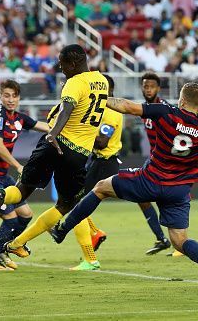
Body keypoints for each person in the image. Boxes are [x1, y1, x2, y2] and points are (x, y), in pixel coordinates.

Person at [50, 51, 198, 292]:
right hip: (179, 191)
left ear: (181, 101)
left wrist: (97, 96)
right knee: (180, 241)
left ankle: (62, 229)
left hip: (150, 180)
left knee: (100, 188)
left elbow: (126, 106)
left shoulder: (165, 111)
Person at [0, 44, 108, 260]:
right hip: (77, 154)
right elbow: (73, 110)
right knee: (65, 204)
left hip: (53, 144)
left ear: (74, 62)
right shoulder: (103, 82)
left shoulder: (73, 83)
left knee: (22, 190)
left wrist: (52, 134)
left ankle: (3, 195)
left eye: (62, 64)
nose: (61, 68)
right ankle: (18, 243)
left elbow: (66, 109)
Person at [0, 80, 50, 271]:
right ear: (0, 96)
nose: (10, 100)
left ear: (19, 98)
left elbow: (43, 126)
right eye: (6, 95)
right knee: (11, 220)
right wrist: (18, 166)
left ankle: (3, 250)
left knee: (26, 214)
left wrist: (66, 129)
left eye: (14, 96)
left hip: (1, 175)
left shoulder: (19, 118)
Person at [70, 74, 122, 271]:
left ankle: (90, 256)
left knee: (76, 203)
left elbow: (102, 142)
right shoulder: (102, 110)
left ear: (108, 91)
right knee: (76, 201)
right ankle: (94, 233)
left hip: (105, 163)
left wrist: (80, 133)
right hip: (98, 162)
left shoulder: (111, 113)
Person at [139, 73, 173, 255]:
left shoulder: (163, 108)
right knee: (141, 198)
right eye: (145, 86)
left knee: (169, 201)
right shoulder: (145, 109)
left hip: (166, 163)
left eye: (151, 86)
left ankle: (179, 244)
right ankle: (162, 239)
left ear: (158, 88)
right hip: (154, 160)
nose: (148, 89)